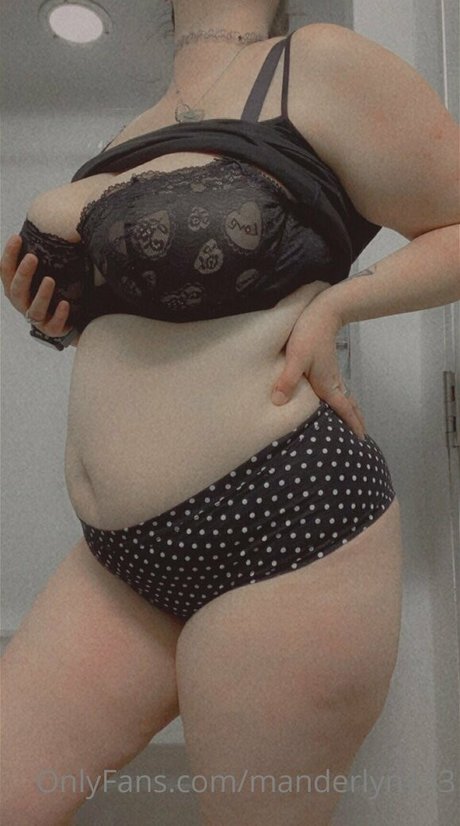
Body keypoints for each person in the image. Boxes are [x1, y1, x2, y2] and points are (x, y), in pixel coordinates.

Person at [1, 1, 459, 824]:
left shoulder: (313, 63)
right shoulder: (132, 130)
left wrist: (342, 304)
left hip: (282, 524)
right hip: (118, 560)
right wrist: (60, 315)